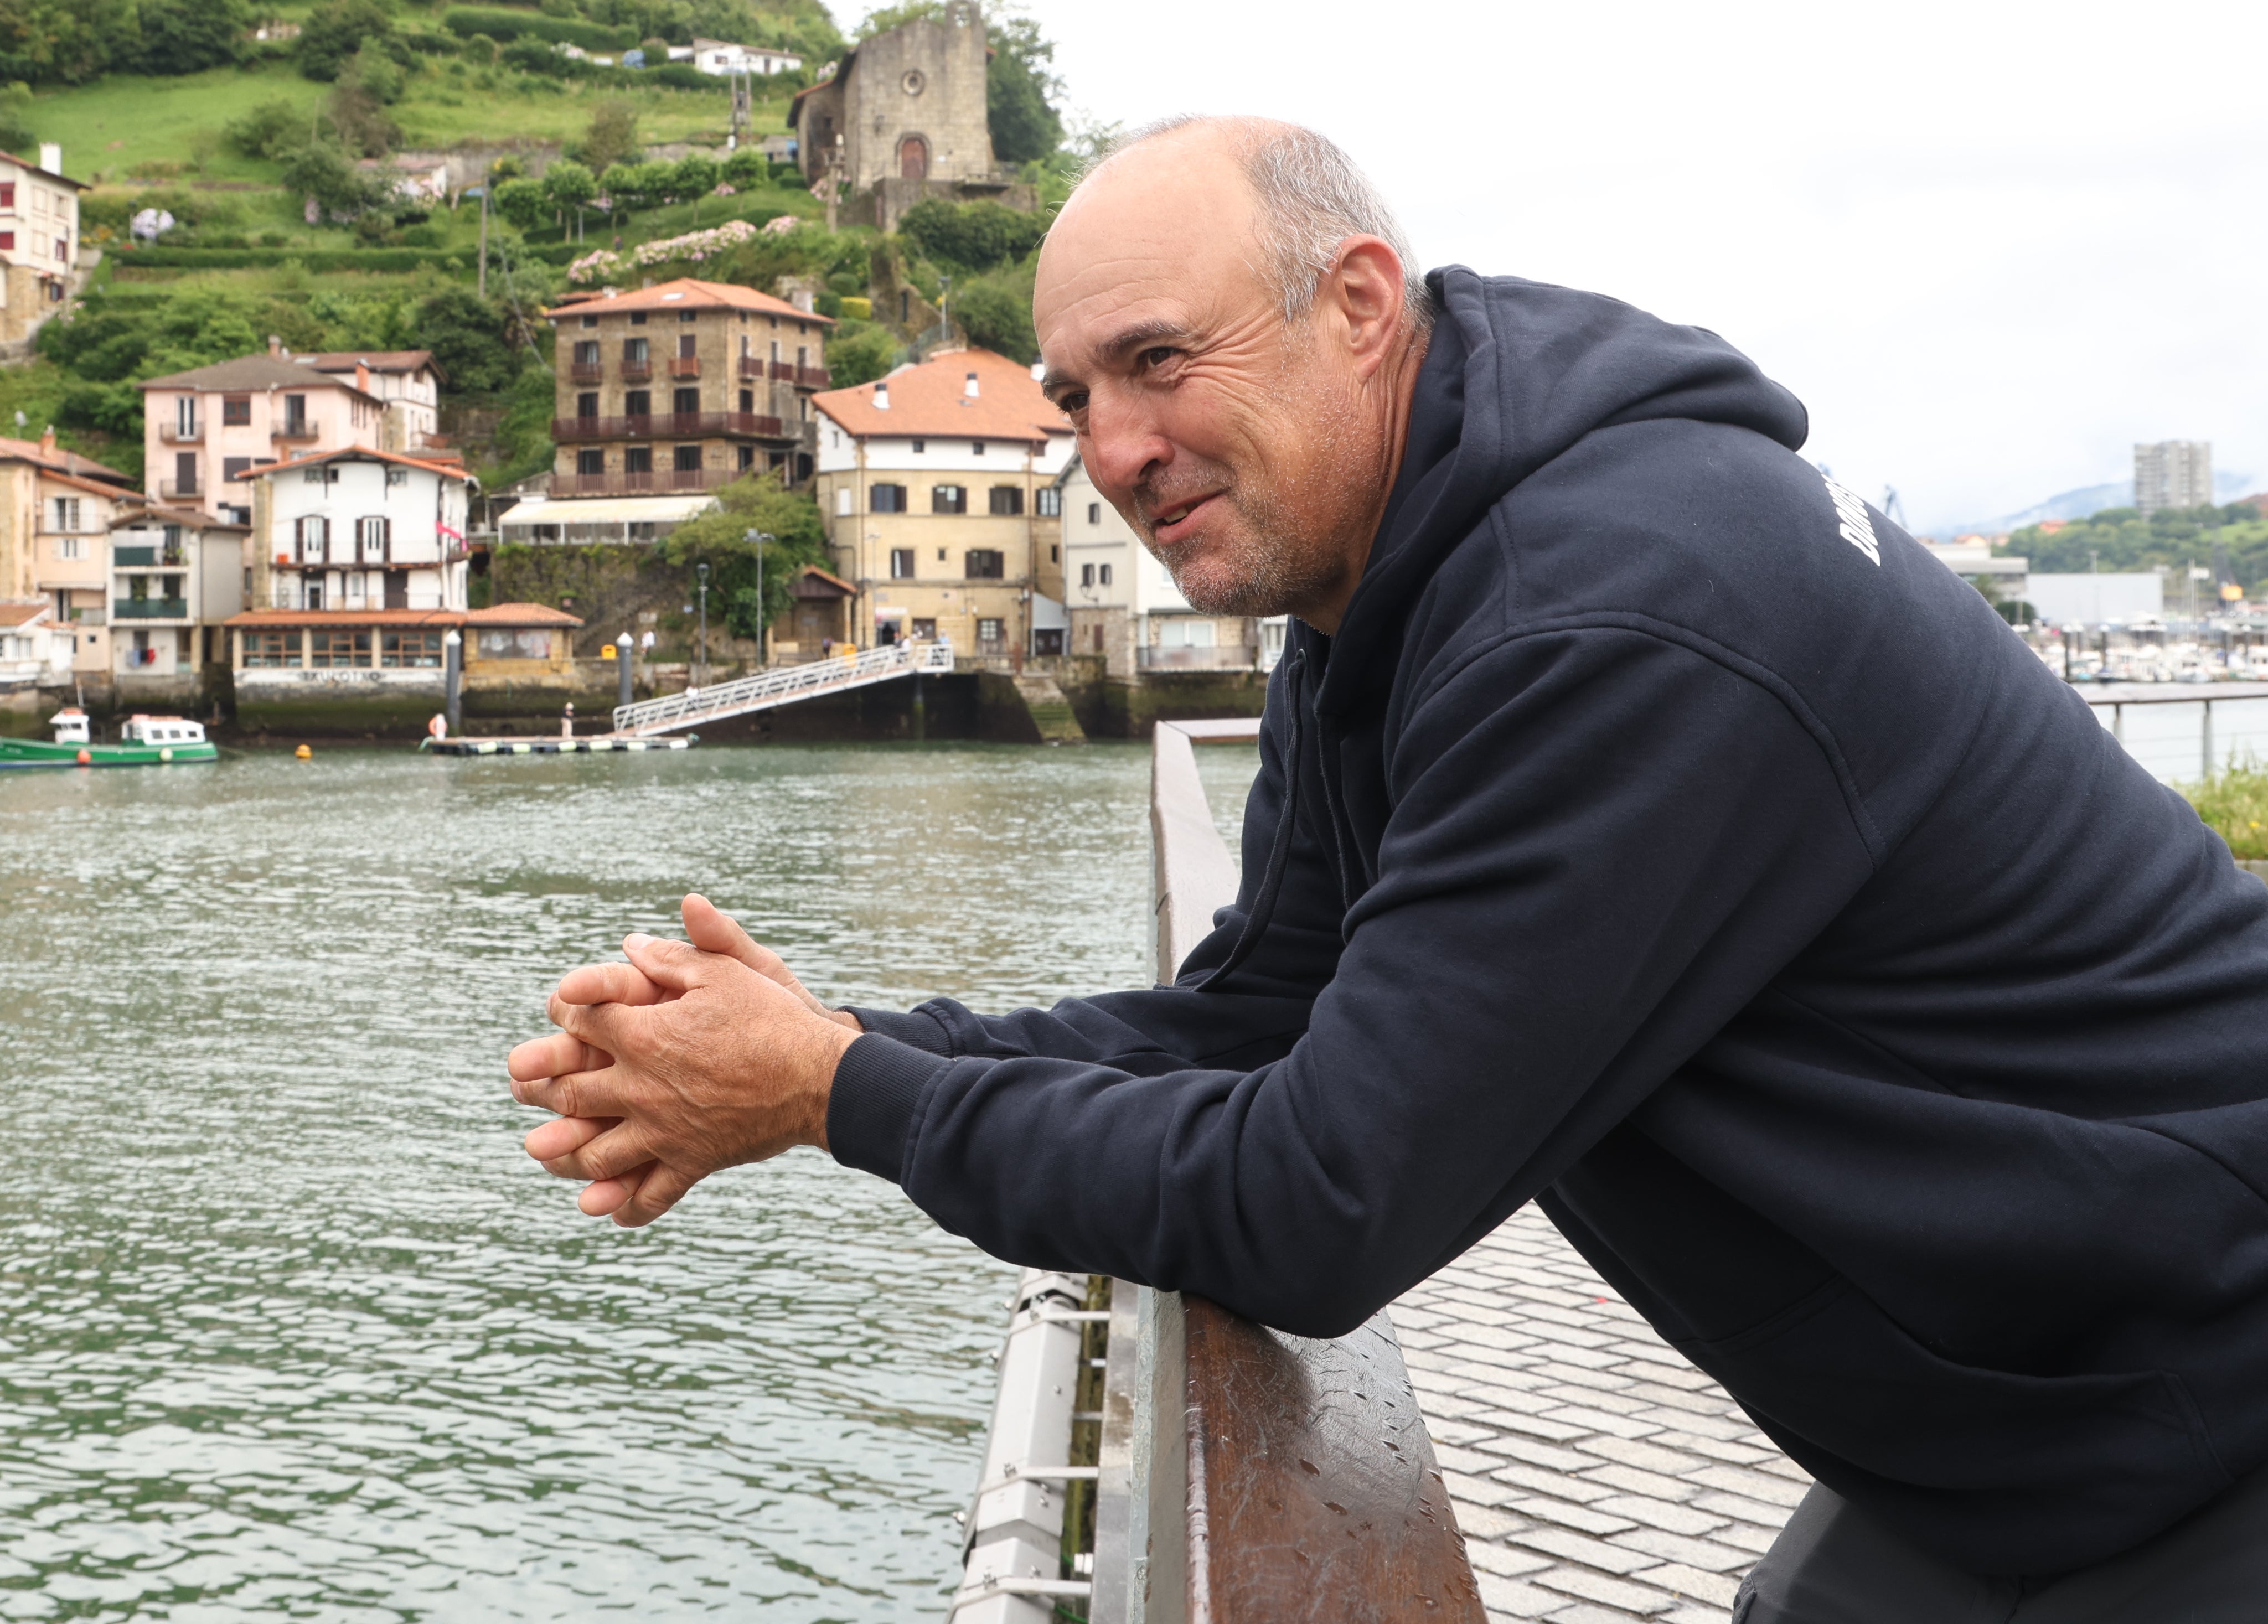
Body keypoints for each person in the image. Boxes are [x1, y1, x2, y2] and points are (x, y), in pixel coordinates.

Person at [507, 119, 2268, 1618]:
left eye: (1160, 361)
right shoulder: (1382, 595)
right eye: (1077, 398)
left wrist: (838, 1096)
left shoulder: (1607, 616)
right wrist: (841, 1043)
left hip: (2204, 1387)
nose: (1112, 451)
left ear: (1357, 306)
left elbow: (1320, 1204)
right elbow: (1260, 1017)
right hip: (2029, 1419)